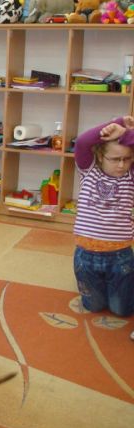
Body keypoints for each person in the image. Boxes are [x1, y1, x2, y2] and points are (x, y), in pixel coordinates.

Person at [73, 116, 134, 341]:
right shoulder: (88, 170)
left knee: (122, 310)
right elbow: (82, 142)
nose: (121, 165)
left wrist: (125, 133)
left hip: (120, 257)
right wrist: (115, 124)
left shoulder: (130, 176)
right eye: (115, 159)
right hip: (85, 256)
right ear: (100, 156)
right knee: (94, 306)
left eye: (127, 159)